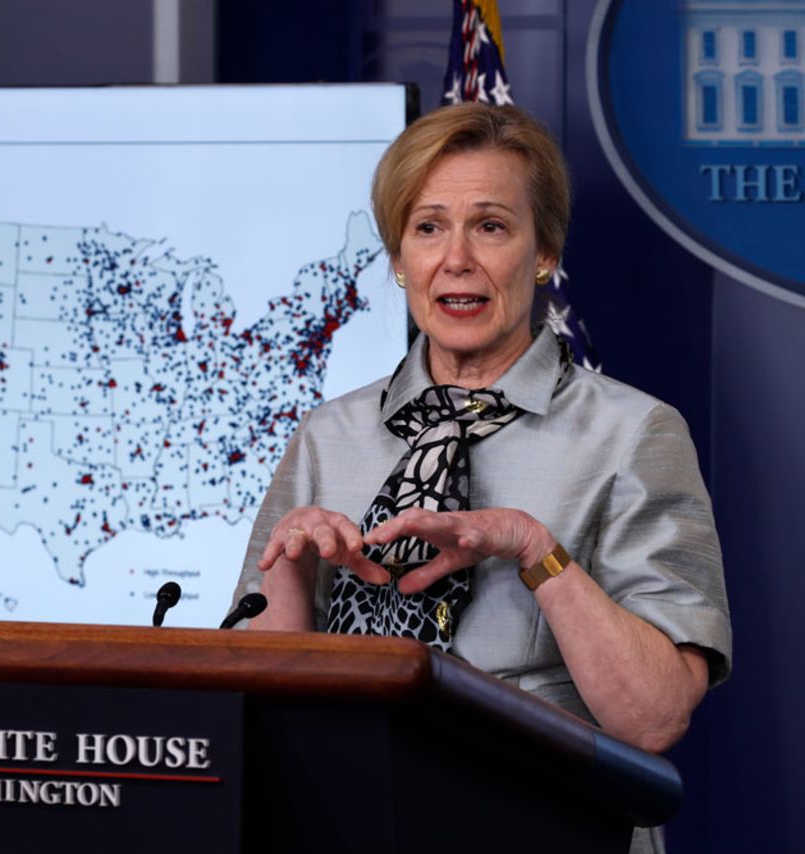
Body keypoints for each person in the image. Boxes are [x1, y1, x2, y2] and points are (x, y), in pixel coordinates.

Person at [230, 103, 730, 766]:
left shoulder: (634, 434)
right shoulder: (329, 435)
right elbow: (262, 706)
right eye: (428, 228)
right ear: (400, 258)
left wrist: (536, 550)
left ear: (544, 252)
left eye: (490, 226)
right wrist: (291, 569)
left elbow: (654, 717)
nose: (456, 259)